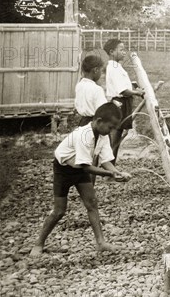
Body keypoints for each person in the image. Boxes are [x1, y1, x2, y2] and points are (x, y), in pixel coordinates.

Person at [30, 103, 132, 257]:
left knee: (92, 203)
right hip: (63, 169)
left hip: (81, 169)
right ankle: (39, 243)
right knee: (59, 211)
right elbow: (86, 167)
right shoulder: (83, 135)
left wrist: (118, 173)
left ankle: (101, 243)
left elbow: (106, 162)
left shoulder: (102, 135)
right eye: (110, 127)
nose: (111, 131)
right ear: (98, 121)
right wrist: (110, 175)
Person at [104, 39, 144, 163]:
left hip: (123, 103)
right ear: (111, 52)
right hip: (119, 103)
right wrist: (137, 92)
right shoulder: (113, 67)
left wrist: (133, 85)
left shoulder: (117, 66)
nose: (124, 52)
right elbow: (123, 91)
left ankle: (110, 166)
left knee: (119, 134)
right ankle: (109, 169)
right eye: (121, 49)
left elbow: (124, 84)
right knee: (115, 135)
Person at [75, 55, 107, 126]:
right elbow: (103, 112)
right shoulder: (97, 89)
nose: (102, 75)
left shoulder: (79, 85)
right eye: (101, 71)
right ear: (96, 70)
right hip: (95, 124)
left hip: (82, 123)